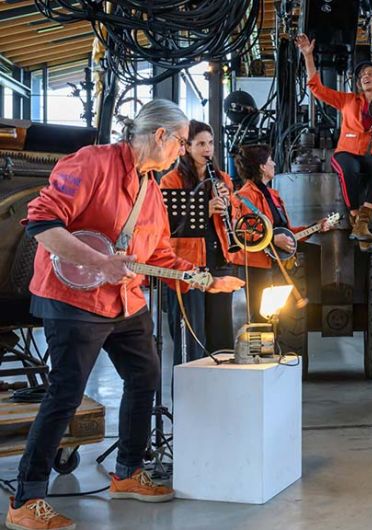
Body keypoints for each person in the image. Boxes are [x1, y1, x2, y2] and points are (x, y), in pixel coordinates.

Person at [7, 99, 243, 530]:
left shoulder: (150, 186)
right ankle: (27, 498)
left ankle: (128, 472)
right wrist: (99, 262)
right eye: (181, 142)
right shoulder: (92, 163)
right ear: (160, 135)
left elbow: (160, 255)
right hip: (74, 299)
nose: (182, 151)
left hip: (125, 301)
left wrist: (205, 280)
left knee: (144, 375)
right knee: (65, 394)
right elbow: (41, 222)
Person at [296, 33, 372, 248]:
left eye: (370, 73)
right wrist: (308, 56)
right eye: (362, 75)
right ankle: (357, 220)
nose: (365, 76)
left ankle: (362, 222)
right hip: (346, 152)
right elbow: (316, 88)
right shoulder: (348, 100)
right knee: (349, 169)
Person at [160, 120, 237, 365]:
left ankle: (219, 385)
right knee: (191, 337)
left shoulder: (223, 178)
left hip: (219, 261)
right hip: (188, 266)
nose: (207, 149)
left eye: (210, 143)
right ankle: (188, 386)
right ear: (187, 147)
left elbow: (234, 216)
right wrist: (204, 209)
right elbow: (168, 224)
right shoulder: (171, 180)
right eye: (201, 144)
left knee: (221, 336)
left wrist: (229, 205)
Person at [230, 144, 330, 322]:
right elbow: (242, 232)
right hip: (256, 268)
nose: (274, 164)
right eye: (270, 160)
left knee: (277, 318)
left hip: (278, 265)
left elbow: (286, 233)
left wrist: (315, 227)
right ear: (262, 166)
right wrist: (272, 240)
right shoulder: (243, 197)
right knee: (260, 318)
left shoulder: (274, 195)